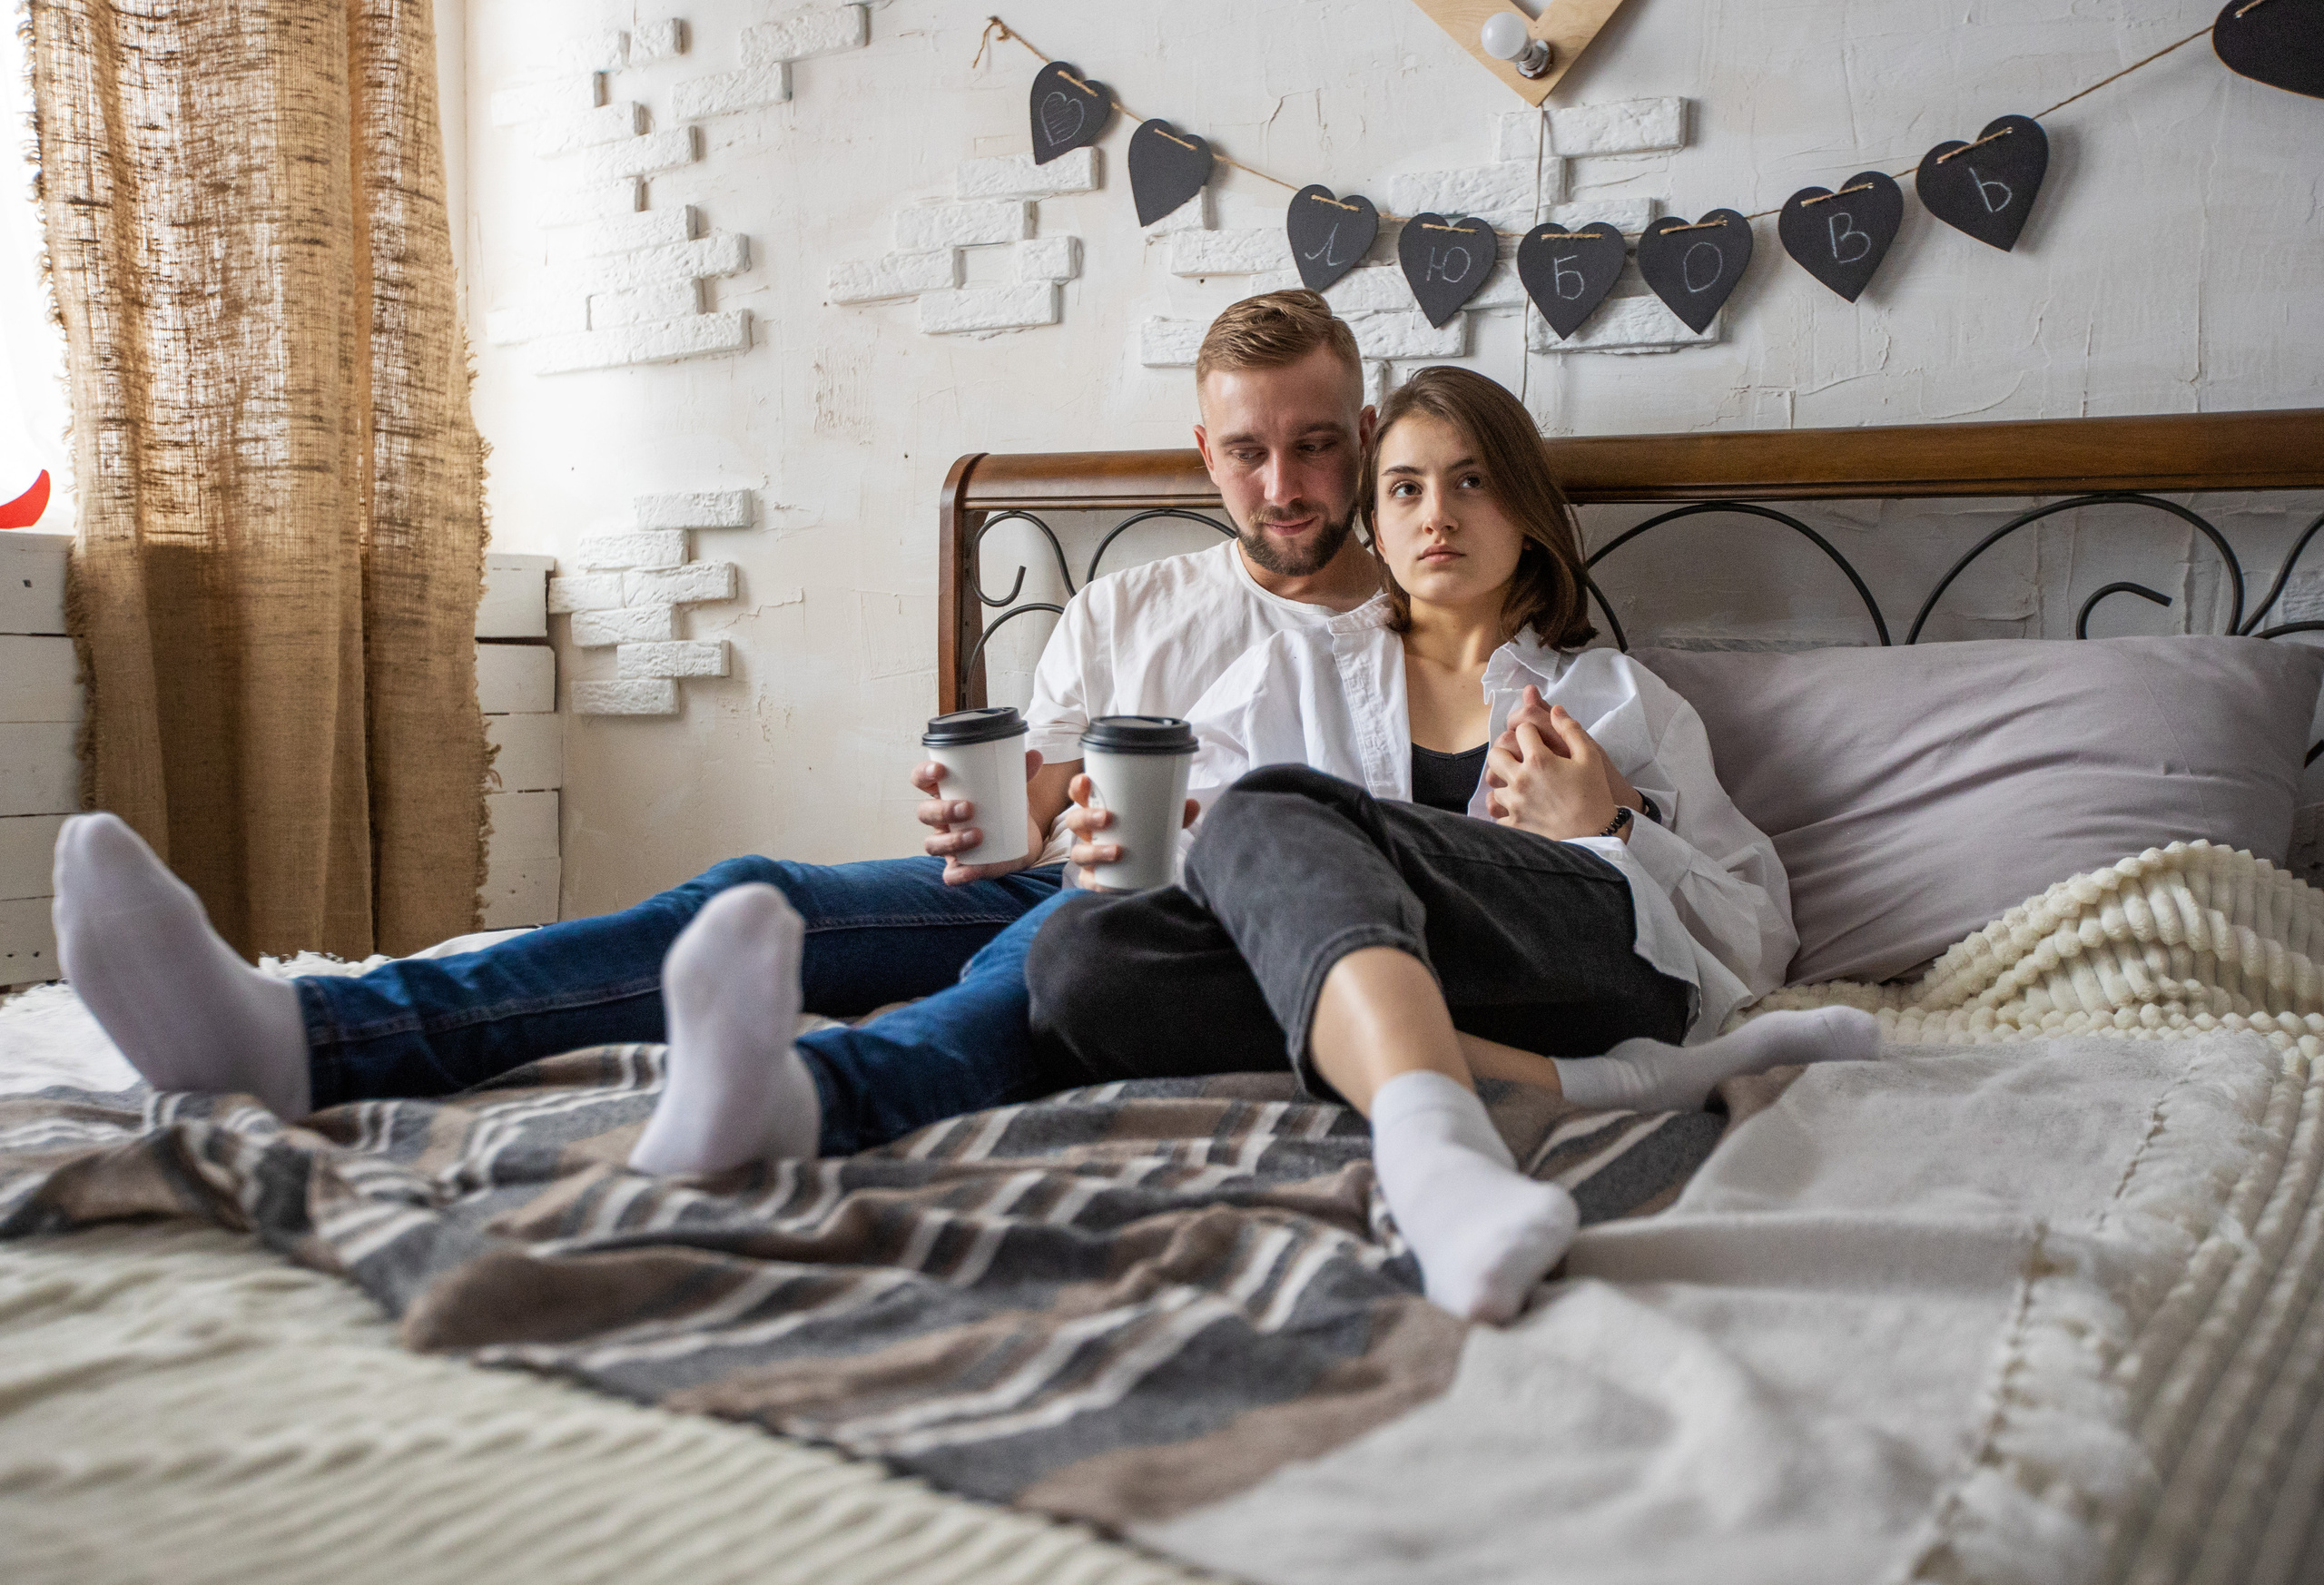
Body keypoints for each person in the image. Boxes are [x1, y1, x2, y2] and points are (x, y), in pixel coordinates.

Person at [584, 367, 1878, 1324]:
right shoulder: (1293, 672)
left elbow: (1760, 932)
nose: (1438, 514)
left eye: (1474, 480)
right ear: (1373, 514)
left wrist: (1617, 824)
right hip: (1413, 980)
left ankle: (1435, 1155)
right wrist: (1084, 833)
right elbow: (1202, 862)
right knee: (1084, 957)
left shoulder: (1611, 699)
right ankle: (1573, 1086)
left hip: (1594, 956)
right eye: (1408, 485)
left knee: (1272, 803)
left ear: (1531, 511)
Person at [47, 290, 1384, 1123]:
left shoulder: (1433, 637)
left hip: (1212, 945)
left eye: (1316, 444)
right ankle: (303, 1035)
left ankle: (797, 1099)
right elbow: (1024, 823)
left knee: (1019, 972)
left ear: (1364, 437)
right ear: (1205, 452)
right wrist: (983, 823)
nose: (1285, 485)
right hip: (1065, 892)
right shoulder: (1127, 607)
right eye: (1251, 450)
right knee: (758, 890)